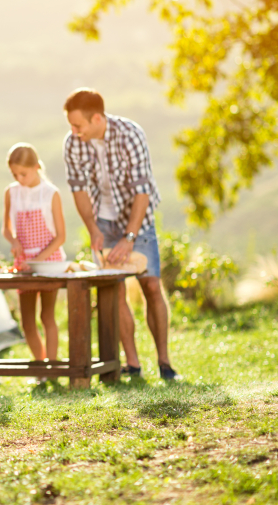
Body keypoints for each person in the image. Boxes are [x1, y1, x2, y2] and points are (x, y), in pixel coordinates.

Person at [62, 88, 179, 380]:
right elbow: (78, 189)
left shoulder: (130, 134)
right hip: (103, 221)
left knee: (151, 285)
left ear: (97, 118)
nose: (74, 132)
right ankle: (133, 364)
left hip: (137, 220)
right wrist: (93, 230)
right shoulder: (73, 143)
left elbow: (143, 190)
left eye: (78, 125)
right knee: (114, 291)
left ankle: (165, 363)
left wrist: (129, 237)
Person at [2, 143, 66, 370]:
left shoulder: (51, 193)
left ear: (37, 167)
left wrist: (39, 259)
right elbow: (6, 229)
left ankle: (53, 366)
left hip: (49, 262)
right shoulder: (12, 192)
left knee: (47, 316)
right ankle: (41, 367)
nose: (19, 178)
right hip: (24, 263)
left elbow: (60, 237)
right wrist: (14, 242)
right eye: (15, 174)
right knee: (27, 321)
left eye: (24, 173)